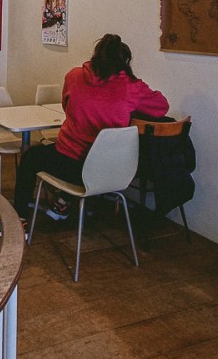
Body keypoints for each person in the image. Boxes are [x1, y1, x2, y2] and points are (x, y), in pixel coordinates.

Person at [13, 33, 170, 222]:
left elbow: (66, 107)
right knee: (86, 158)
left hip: (70, 165)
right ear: (125, 62)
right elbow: (162, 106)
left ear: (96, 55)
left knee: (30, 157)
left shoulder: (74, 76)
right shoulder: (132, 87)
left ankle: (19, 218)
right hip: (109, 171)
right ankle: (64, 202)